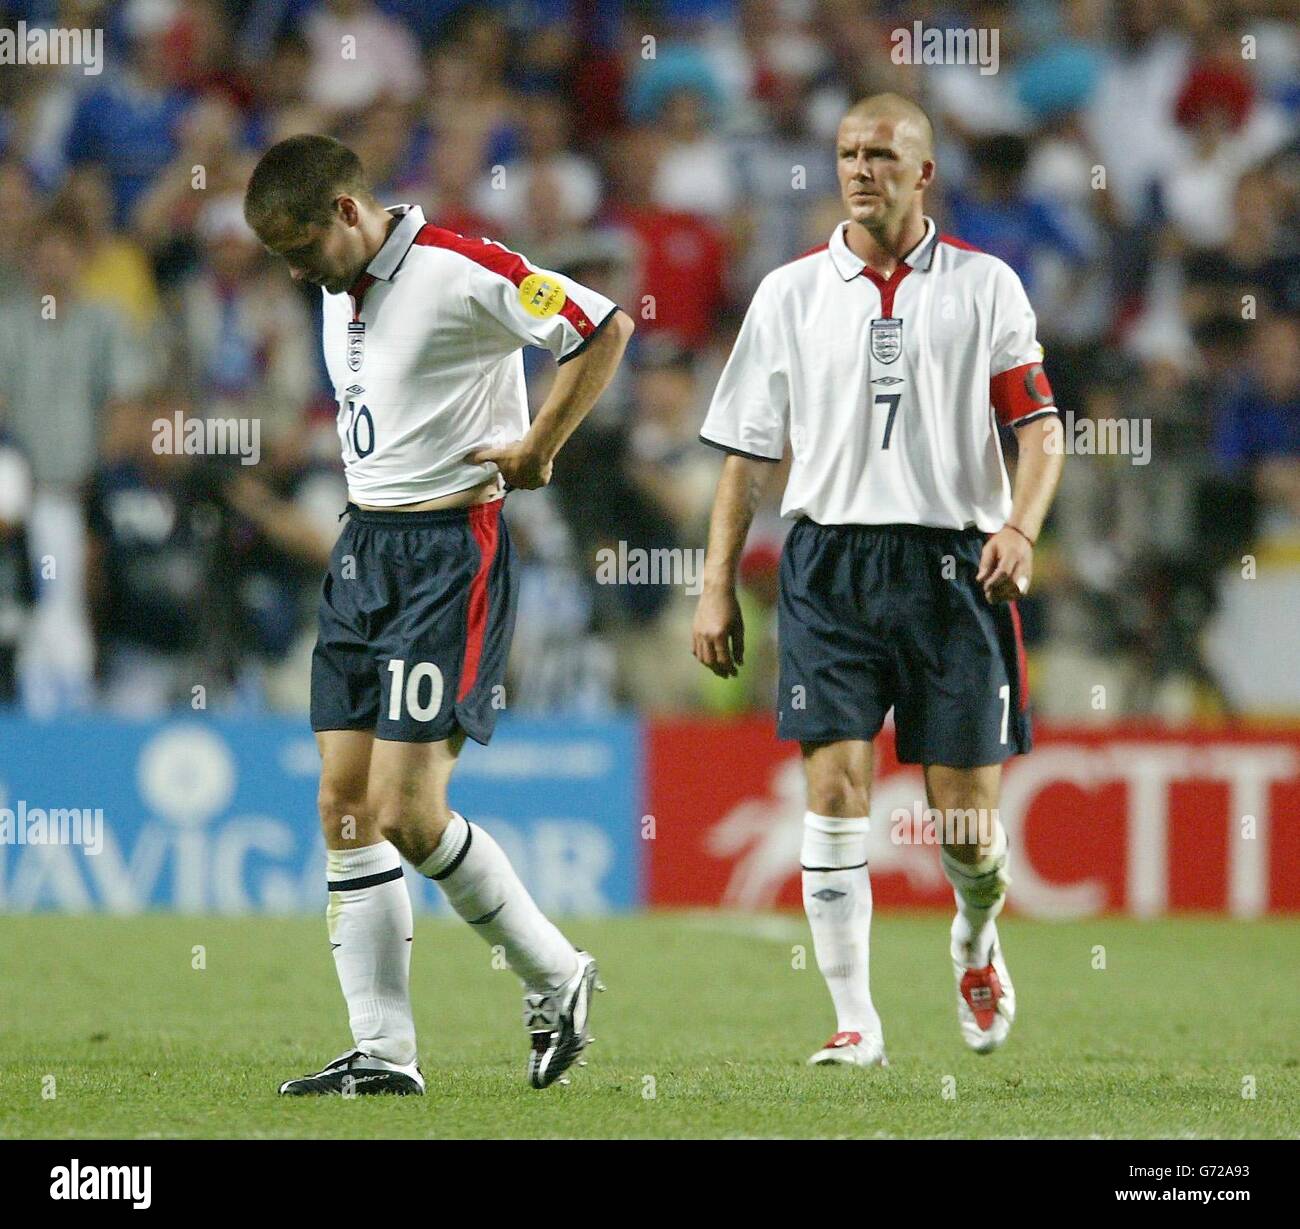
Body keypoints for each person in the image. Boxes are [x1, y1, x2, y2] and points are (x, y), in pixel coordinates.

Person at [243, 134, 633, 1095]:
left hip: (449, 556)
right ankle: (382, 1052)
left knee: (406, 814)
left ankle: (558, 974)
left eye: (302, 249)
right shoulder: (340, 292)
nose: (298, 272)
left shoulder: (460, 267)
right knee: (343, 806)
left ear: (346, 211)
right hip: (363, 548)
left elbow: (602, 324)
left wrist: (541, 445)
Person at [692, 94, 1065, 1066]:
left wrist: (1020, 526)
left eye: (882, 154)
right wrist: (713, 583)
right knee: (832, 784)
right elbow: (743, 456)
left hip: (955, 568)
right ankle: (856, 1019)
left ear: (923, 172)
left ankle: (974, 938)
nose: (860, 168)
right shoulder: (789, 293)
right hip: (827, 565)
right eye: (848, 152)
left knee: (969, 827)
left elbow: (1040, 428)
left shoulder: (986, 286)